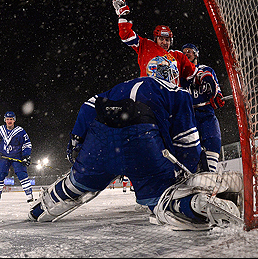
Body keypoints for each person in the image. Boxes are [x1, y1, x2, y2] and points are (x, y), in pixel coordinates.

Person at [29, 56, 241, 230]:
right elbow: (187, 140)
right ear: (173, 75)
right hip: (143, 142)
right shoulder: (178, 93)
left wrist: (76, 140)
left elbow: (87, 106)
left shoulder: (121, 86)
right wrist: (185, 171)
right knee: (161, 201)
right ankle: (196, 206)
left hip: (100, 140)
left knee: (75, 184)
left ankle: (38, 210)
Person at [112, 0, 197, 86]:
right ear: (155, 39)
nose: (164, 42)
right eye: (161, 39)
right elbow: (126, 35)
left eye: (167, 40)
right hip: (148, 95)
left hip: (170, 97)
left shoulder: (178, 56)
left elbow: (194, 74)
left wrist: (205, 76)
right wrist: (123, 15)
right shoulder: (146, 45)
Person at [181, 43, 225, 173]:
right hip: (187, 116)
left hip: (206, 112)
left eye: (189, 51)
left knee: (213, 140)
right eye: (184, 52)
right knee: (189, 148)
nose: (186, 53)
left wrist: (217, 95)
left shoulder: (206, 69)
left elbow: (216, 89)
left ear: (196, 54)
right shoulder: (179, 74)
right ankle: (189, 176)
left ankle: (209, 175)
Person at [0, 111, 33, 204]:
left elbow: (27, 144)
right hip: (4, 156)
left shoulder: (20, 131)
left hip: (17, 156)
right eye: (7, 119)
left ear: (14, 120)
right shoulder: (0, 130)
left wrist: (26, 155)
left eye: (11, 119)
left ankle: (29, 195)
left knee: (22, 174)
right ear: (5, 120)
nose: (9, 121)